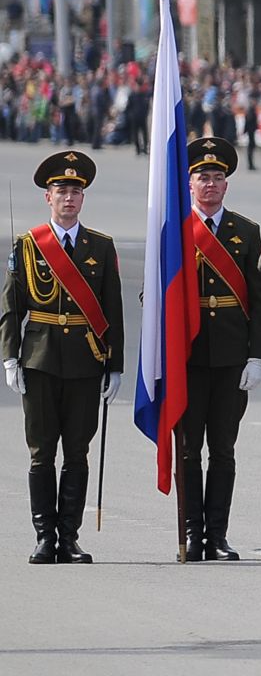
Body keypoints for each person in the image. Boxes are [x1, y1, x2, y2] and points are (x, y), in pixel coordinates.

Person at [1, 150, 122, 565]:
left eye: (75, 190)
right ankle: (43, 536)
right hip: (39, 358)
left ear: (83, 198)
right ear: (47, 198)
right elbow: (11, 307)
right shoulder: (28, 245)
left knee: (77, 451)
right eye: (61, 190)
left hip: (86, 362)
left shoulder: (100, 246)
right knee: (41, 451)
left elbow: (112, 310)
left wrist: (115, 364)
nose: (68, 197)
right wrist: (9, 358)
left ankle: (68, 537)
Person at [179, 137, 261, 561]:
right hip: (188, 357)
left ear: (226, 185)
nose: (210, 185)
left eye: (217, 177)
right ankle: (191, 533)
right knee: (187, 449)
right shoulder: (174, 229)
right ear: (189, 182)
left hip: (232, 356)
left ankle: (216, 535)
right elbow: (154, 296)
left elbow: (258, 299)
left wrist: (257, 355)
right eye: (202, 177)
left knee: (223, 449)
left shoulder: (245, 232)